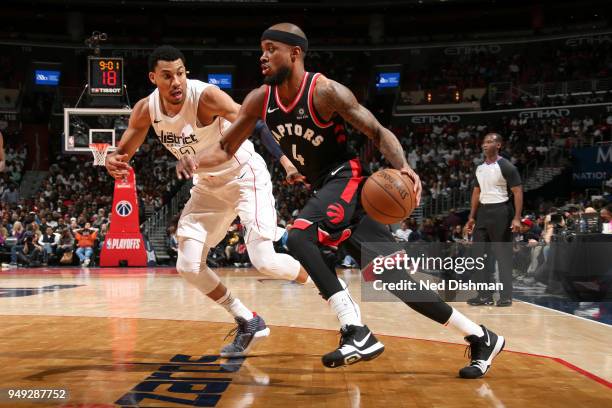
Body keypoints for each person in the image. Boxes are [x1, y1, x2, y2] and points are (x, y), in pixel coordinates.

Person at [181, 23, 505, 378]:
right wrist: (196, 160)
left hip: (347, 176)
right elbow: (227, 148)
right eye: (262, 49)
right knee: (393, 279)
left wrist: (404, 167)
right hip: (326, 187)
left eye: (271, 48)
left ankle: (355, 330)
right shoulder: (261, 99)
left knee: (300, 235)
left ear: (295, 53)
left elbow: (377, 131)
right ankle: (480, 336)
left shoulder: (324, 91)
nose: (263, 56)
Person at [105, 45, 313, 357]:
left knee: (265, 261)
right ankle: (248, 319)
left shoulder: (205, 96)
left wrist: (285, 161)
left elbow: (255, 121)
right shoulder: (146, 109)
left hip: (243, 175)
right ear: (153, 78)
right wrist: (111, 160)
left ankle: (308, 269)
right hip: (207, 186)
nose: (176, 81)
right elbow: (122, 153)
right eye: (167, 76)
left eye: (180, 73)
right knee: (187, 264)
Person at [466, 133, 523, 307]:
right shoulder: (480, 168)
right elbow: (476, 192)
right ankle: (484, 296)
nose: (485, 145)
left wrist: (517, 218)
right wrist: (471, 217)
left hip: (501, 211)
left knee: (502, 256)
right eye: (484, 142)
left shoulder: (506, 166)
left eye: (489, 142)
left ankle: (506, 296)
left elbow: (518, 192)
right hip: (483, 212)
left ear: (498, 145)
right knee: (479, 256)